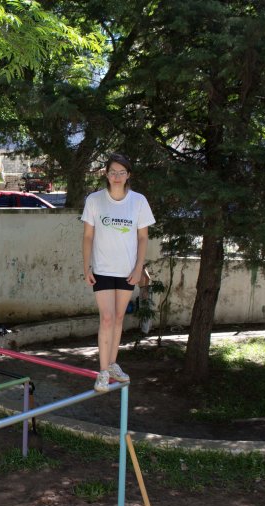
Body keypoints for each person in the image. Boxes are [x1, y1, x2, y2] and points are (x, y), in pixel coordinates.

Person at [82, 153, 155, 392]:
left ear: (128, 175)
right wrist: (86, 266)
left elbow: (143, 238)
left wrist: (138, 268)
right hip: (102, 269)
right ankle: (102, 372)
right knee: (107, 318)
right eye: (112, 172)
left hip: (127, 271)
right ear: (106, 174)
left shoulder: (139, 201)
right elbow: (88, 236)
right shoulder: (94, 200)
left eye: (121, 172)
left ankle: (113, 364)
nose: (116, 176)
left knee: (119, 319)